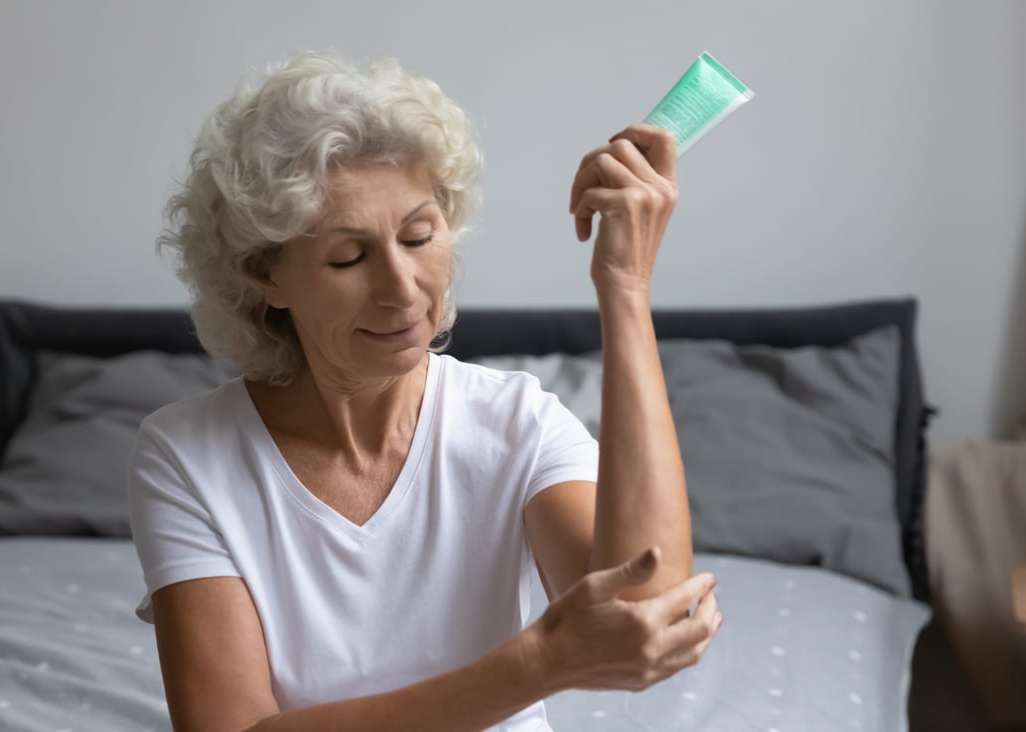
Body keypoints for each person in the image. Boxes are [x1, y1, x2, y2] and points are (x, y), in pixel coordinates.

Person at [129, 50, 721, 732]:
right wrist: (539, 665)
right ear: (267, 275)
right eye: (349, 258)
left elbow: (648, 612)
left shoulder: (517, 424)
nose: (403, 289)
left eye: (419, 235)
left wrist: (625, 287)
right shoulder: (187, 454)